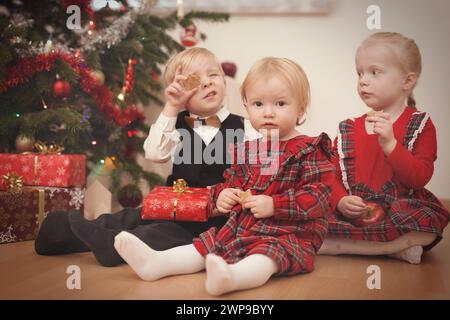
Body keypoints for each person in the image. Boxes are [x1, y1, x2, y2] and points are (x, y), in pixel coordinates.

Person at [113, 57, 335, 296]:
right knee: (207, 243)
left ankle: (233, 278)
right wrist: (223, 195)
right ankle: (158, 263)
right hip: (246, 228)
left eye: (280, 104)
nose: (268, 113)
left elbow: (319, 198)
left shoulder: (310, 149)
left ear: (301, 108)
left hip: (289, 233)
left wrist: (275, 204)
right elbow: (233, 182)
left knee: (266, 254)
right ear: (247, 106)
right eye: (259, 104)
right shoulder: (250, 149)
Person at [34, 47, 245, 267]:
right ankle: (60, 232)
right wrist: (172, 107)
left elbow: (257, 176)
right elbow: (155, 153)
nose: (207, 82)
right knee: (131, 217)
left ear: (223, 78)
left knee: (161, 235)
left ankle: (110, 245)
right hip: (172, 205)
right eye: (194, 80)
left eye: (213, 75)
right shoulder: (176, 124)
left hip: (212, 218)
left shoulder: (245, 127)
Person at [318, 32, 450, 264]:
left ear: (407, 81)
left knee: (428, 225)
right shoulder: (349, 128)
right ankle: (394, 249)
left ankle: (338, 246)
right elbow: (330, 175)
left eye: (374, 72)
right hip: (356, 211)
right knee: (311, 214)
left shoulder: (420, 125)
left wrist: (391, 145)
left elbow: (419, 177)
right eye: (359, 73)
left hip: (399, 209)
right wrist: (340, 200)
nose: (363, 80)